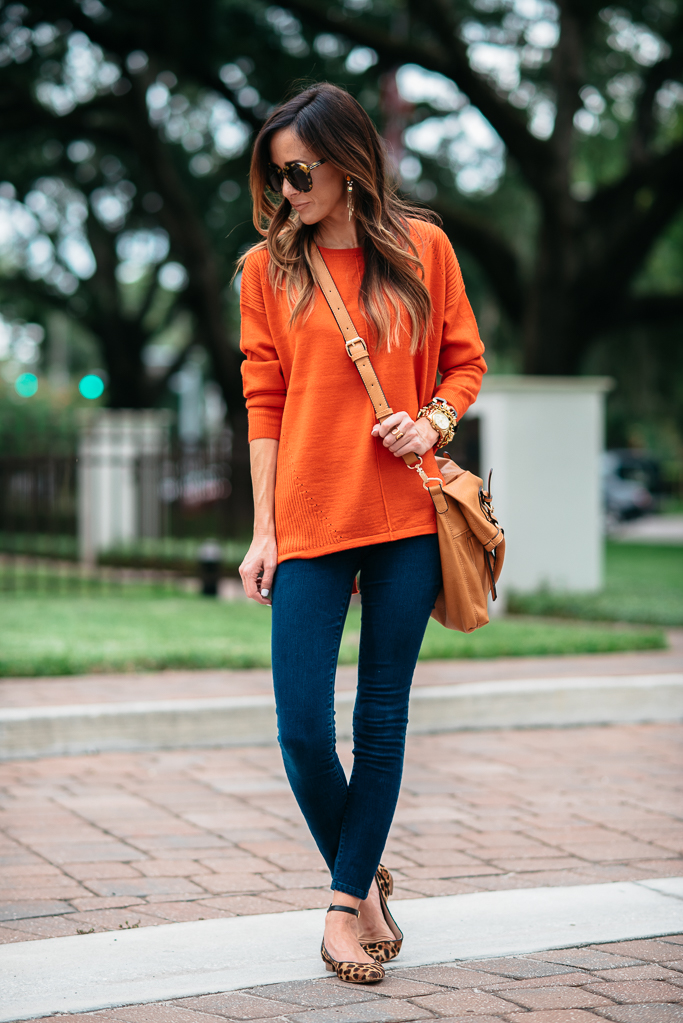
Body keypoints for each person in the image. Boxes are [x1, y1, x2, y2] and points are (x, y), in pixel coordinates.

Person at [238, 82, 486, 984]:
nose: (285, 194)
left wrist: (432, 423)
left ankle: (343, 909)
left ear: (347, 163)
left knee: (378, 719)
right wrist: (262, 531)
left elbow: (465, 359)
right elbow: (263, 403)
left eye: (297, 174)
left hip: (406, 520)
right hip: (308, 515)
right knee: (302, 727)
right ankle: (366, 878)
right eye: (274, 179)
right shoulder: (265, 271)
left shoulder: (425, 249)